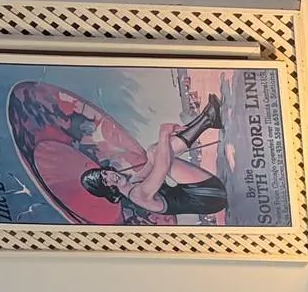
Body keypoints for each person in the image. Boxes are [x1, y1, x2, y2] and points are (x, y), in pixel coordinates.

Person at [79, 93, 227, 220]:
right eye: (105, 181)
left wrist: (158, 146)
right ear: (108, 189)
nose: (111, 176)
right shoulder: (136, 195)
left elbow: (151, 161)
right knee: (160, 155)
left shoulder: (133, 182)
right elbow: (161, 168)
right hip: (210, 197)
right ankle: (207, 119)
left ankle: (206, 120)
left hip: (202, 195)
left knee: (153, 151)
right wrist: (163, 134)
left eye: (104, 173)